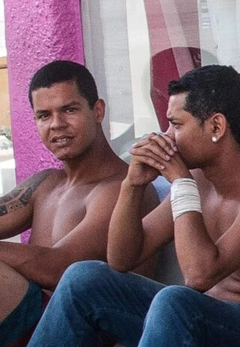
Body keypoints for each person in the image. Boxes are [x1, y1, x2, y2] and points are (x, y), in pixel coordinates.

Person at [29, 65, 240, 346]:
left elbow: (199, 276)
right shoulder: (198, 181)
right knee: (83, 278)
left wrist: (181, 182)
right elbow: (122, 258)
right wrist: (132, 185)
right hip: (196, 324)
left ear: (216, 127)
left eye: (176, 125)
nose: (166, 137)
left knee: (176, 300)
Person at [0, 62, 158, 345]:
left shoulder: (123, 188)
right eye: (44, 115)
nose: (56, 124)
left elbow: (60, 268)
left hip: (78, 329)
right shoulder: (45, 184)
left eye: (69, 110)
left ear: (97, 110)